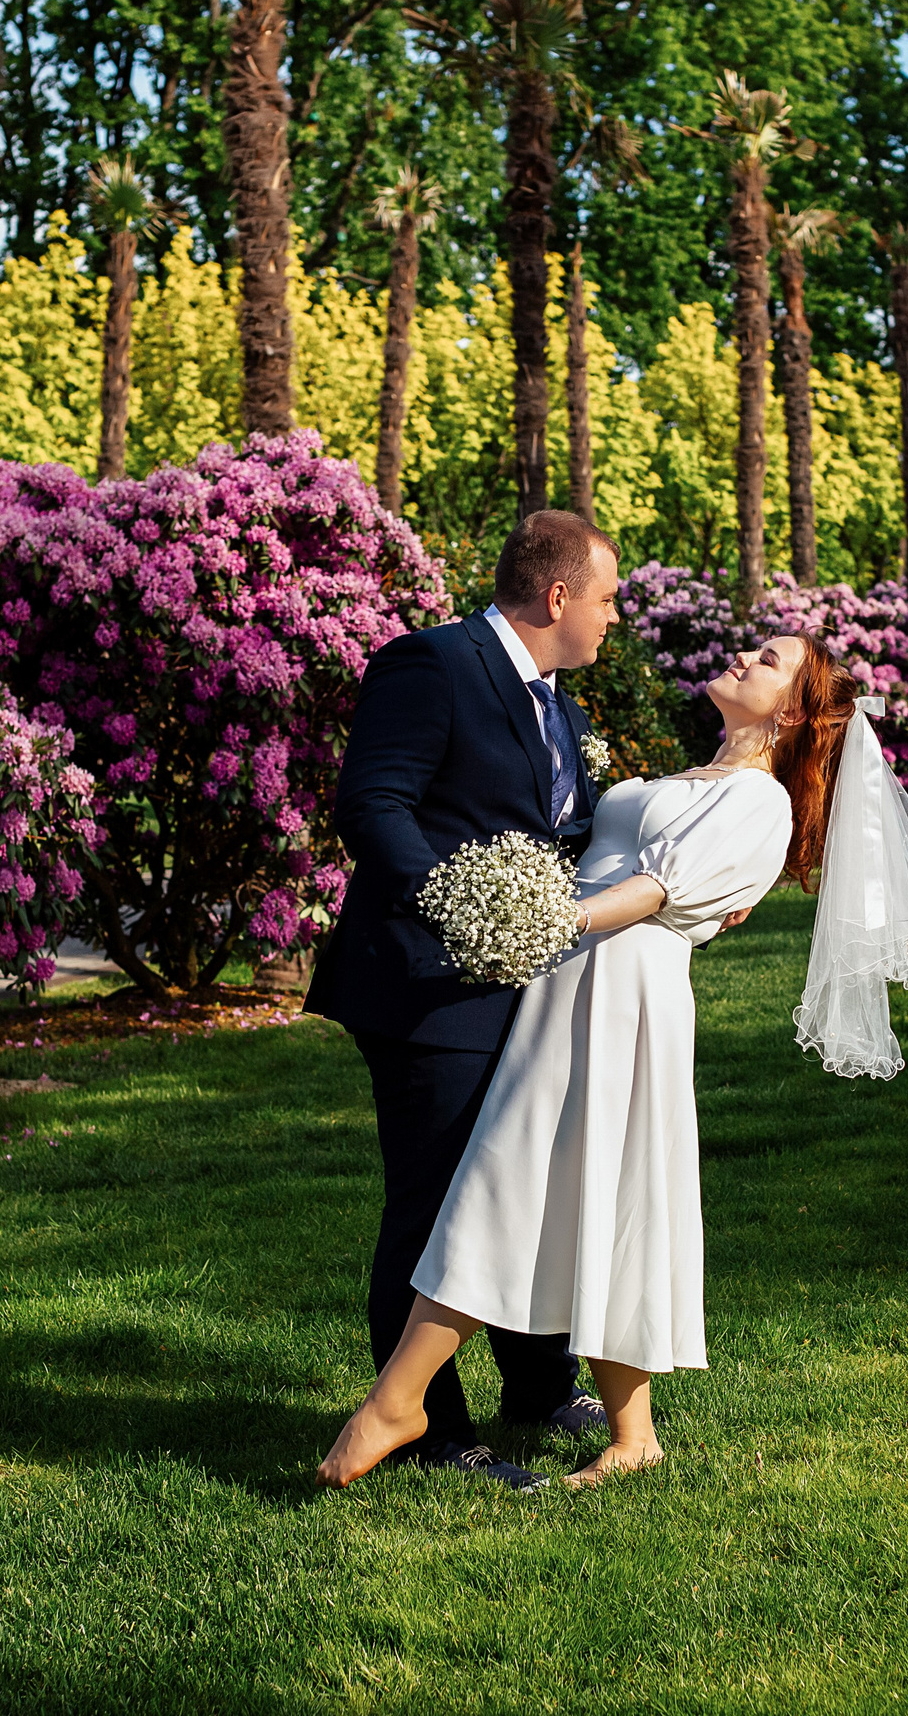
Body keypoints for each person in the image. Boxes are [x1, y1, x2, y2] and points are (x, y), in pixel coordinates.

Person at [319, 630, 908, 1491]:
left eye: (768, 661)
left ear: (794, 711)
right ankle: (623, 1430)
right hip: (567, 984)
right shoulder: (695, 778)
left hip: (618, 992)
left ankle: (401, 1400)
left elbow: (660, 890)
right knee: (556, 1189)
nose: (742, 657)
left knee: (526, 1182)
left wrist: (548, 921)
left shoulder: (759, 802)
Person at [304, 509, 624, 1491]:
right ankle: (433, 1428)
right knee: (436, 1205)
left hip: (517, 984)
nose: (615, 616)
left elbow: (552, 831)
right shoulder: (432, 664)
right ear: (557, 594)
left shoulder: (556, 705)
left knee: (524, 1185)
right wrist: (456, 904)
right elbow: (373, 803)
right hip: (423, 984)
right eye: (607, 597)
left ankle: (537, 1384)